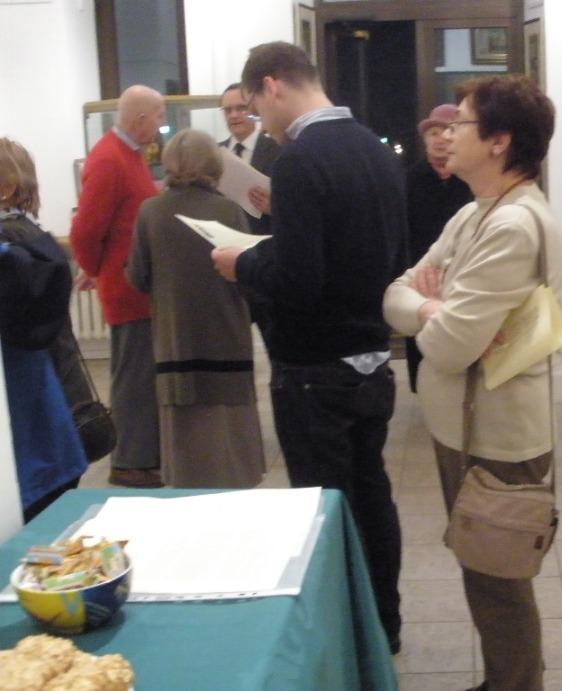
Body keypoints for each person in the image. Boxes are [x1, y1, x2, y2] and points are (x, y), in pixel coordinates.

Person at [210, 41, 406, 653]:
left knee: (323, 509)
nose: (260, 122)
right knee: (371, 494)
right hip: (371, 356)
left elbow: (299, 282)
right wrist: (283, 226)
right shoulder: (373, 148)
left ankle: (344, 641)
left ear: (272, 85)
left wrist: (242, 263)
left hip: (315, 368)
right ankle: (385, 625)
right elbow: (386, 254)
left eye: (254, 106)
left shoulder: (299, 160)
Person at [384, 74, 562, 691]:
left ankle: (517, 684)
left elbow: (449, 347)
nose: (445, 134)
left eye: (459, 123)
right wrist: (431, 307)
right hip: (463, 428)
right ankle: (504, 679)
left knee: (500, 580)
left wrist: (430, 314)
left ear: (498, 141)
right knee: (481, 569)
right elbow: (394, 294)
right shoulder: (472, 214)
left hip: (498, 435)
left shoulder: (514, 225)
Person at [126, 129, 266, 489]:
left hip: (176, 341)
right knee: (230, 445)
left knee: (185, 444)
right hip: (226, 339)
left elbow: (138, 277)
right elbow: (249, 276)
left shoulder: (150, 212)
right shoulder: (228, 210)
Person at [69, 84, 164, 489]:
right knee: (133, 379)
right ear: (140, 119)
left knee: (141, 376)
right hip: (127, 290)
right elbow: (84, 231)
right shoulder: (109, 158)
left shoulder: (129, 154)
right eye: (159, 116)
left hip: (136, 287)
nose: (161, 125)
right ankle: (129, 461)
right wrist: (99, 270)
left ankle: (145, 456)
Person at [0, 138, 88, 522]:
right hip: (53, 407)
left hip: (29, 422)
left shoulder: (10, 251)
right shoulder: (31, 236)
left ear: (6, 186)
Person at [404, 103, 472, 392]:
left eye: (446, 131)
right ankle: (423, 389)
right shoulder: (409, 179)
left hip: (463, 273)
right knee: (421, 334)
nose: (440, 139)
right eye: (433, 132)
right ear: (425, 139)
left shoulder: (469, 179)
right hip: (421, 272)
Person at [217, 82, 280, 235]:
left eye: (241, 108)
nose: (234, 115)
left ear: (253, 109)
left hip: (264, 238)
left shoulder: (277, 150)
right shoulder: (215, 153)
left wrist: (275, 208)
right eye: (228, 110)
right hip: (225, 237)